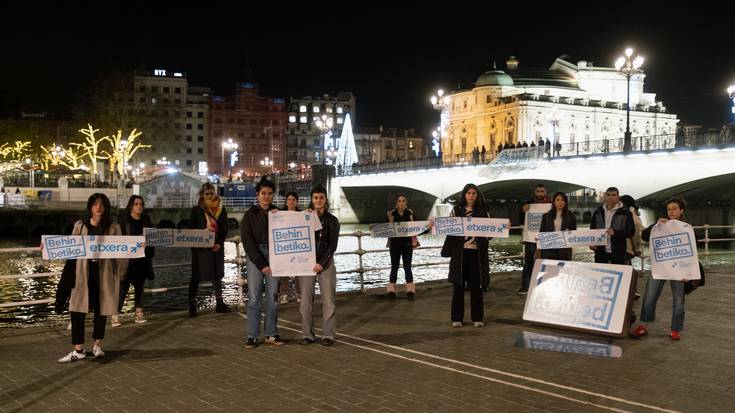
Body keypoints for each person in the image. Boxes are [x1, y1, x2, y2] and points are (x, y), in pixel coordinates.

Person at [57, 193, 128, 363]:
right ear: (90, 207)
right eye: (95, 204)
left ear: (106, 207)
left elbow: (123, 250)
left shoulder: (113, 227)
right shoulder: (80, 226)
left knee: (101, 310)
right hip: (82, 273)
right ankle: (78, 350)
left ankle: (97, 345)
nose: (98, 207)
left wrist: (121, 273)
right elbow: (69, 248)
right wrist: (47, 247)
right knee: (77, 310)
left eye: (102, 204)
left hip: (103, 274)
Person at [631, 198, 690, 341]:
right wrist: (655, 224)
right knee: (650, 296)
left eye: (675, 208)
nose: (671, 211)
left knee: (678, 300)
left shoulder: (687, 227)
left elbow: (690, 252)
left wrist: (688, 272)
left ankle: (675, 329)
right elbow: (645, 236)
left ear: (681, 211)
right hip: (661, 266)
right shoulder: (661, 224)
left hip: (679, 269)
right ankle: (644, 325)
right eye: (669, 209)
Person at [442, 184, 492, 327]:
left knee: (477, 286)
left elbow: (491, 231)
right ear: (464, 195)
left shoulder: (484, 211)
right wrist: (435, 226)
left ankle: (478, 318)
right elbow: (449, 230)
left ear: (477, 196)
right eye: (469, 193)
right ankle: (456, 318)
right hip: (460, 253)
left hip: (477, 254)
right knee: (458, 286)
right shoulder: (456, 210)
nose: (471, 196)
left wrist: (503, 228)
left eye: (474, 193)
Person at [241, 177, 282, 349]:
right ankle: (252, 335)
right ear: (257, 195)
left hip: (275, 255)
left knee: (272, 297)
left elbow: (294, 225)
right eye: (263, 193)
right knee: (254, 296)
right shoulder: (249, 215)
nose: (266, 197)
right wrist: (261, 263)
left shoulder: (278, 213)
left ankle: (271, 334)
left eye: (270, 194)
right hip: (256, 256)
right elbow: (248, 242)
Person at [300, 185, 340, 346]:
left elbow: (332, 245)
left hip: (326, 264)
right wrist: (275, 215)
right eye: (315, 197)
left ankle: (328, 335)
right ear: (311, 199)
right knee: (305, 301)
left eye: (321, 197)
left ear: (326, 200)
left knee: (329, 300)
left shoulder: (332, 221)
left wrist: (321, 262)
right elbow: (287, 223)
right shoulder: (303, 217)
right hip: (306, 264)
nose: (318, 200)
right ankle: (307, 334)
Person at [112, 195, 155, 326]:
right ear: (131, 206)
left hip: (141, 261)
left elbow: (153, 237)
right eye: (136, 204)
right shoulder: (124, 221)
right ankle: (115, 315)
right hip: (127, 261)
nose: (139, 206)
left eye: (141, 204)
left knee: (140, 288)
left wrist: (148, 243)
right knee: (122, 289)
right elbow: (117, 240)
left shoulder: (146, 220)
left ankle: (138, 313)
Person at [188, 182, 230, 317]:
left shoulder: (221, 209)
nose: (210, 196)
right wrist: (203, 232)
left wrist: (219, 243)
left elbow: (224, 229)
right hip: (201, 248)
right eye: (207, 194)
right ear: (202, 194)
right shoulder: (196, 210)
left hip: (216, 247)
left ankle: (219, 303)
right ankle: (192, 304)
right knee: (196, 275)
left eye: (212, 193)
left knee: (217, 275)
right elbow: (190, 229)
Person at [386, 194, 420, 300]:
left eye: (403, 201)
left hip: (407, 245)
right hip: (395, 245)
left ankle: (410, 291)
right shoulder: (391, 214)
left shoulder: (410, 214)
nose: (401, 203)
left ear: (406, 203)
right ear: (396, 203)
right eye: (399, 201)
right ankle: (391, 291)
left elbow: (417, 227)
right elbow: (385, 229)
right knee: (394, 267)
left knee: (407, 267)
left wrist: (429, 226)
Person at [518, 184, 550, 294]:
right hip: (530, 239)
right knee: (528, 263)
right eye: (538, 191)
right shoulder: (528, 203)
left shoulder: (551, 204)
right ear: (534, 192)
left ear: (546, 192)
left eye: (542, 191)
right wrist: (522, 210)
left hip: (546, 238)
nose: (540, 194)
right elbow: (522, 220)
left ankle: (543, 285)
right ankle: (525, 286)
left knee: (544, 261)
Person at [589, 187, 635, 264]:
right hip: (600, 251)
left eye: (613, 195)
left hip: (618, 252)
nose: (611, 197)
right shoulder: (598, 212)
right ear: (605, 197)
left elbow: (631, 232)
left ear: (618, 197)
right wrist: (592, 242)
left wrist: (615, 232)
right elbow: (592, 230)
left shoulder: (625, 212)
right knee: (600, 273)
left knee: (618, 274)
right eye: (608, 195)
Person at [538, 192, 577, 261]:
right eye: (557, 200)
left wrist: (569, 233)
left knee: (563, 270)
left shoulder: (571, 216)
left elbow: (574, 233)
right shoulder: (546, 216)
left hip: (564, 250)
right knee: (550, 270)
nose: (560, 202)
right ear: (554, 202)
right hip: (549, 250)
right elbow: (541, 233)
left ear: (565, 202)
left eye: (562, 200)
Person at [278, 191, 301, 304]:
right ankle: (284, 294)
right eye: (289, 199)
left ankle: (299, 294)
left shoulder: (302, 215)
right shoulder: (279, 214)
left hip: (297, 246)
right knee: (284, 271)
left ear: (297, 202)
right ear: (286, 201)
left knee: (299, 271)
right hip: (285, 246)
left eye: (293, 200)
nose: (291, 202)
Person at [621, 194, 644, 298]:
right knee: (628, 268)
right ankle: (633, 291)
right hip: (627, 247)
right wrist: (637, 248)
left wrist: (636, 248)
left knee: (626, 270)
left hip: (625, 247)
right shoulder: (633, 214)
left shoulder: (629, 214)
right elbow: (638, 233)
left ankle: (630, 292)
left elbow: (635, 233)